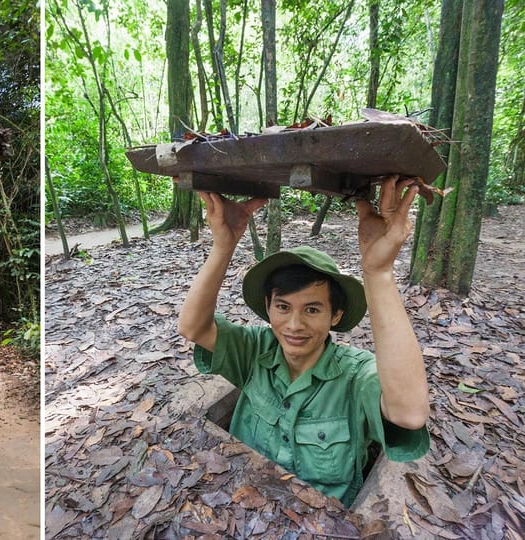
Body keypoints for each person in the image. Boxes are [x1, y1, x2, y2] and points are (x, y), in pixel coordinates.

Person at [177, 175, 430, 507]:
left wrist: (378, 272)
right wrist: (224, 244)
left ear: (335, 315)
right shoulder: (255, 350)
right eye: (283, 307)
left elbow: (409, 414)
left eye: (312, 309)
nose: (294, 325)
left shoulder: (355, 378)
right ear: (268, 308)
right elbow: (193, 327)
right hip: (238, 507)